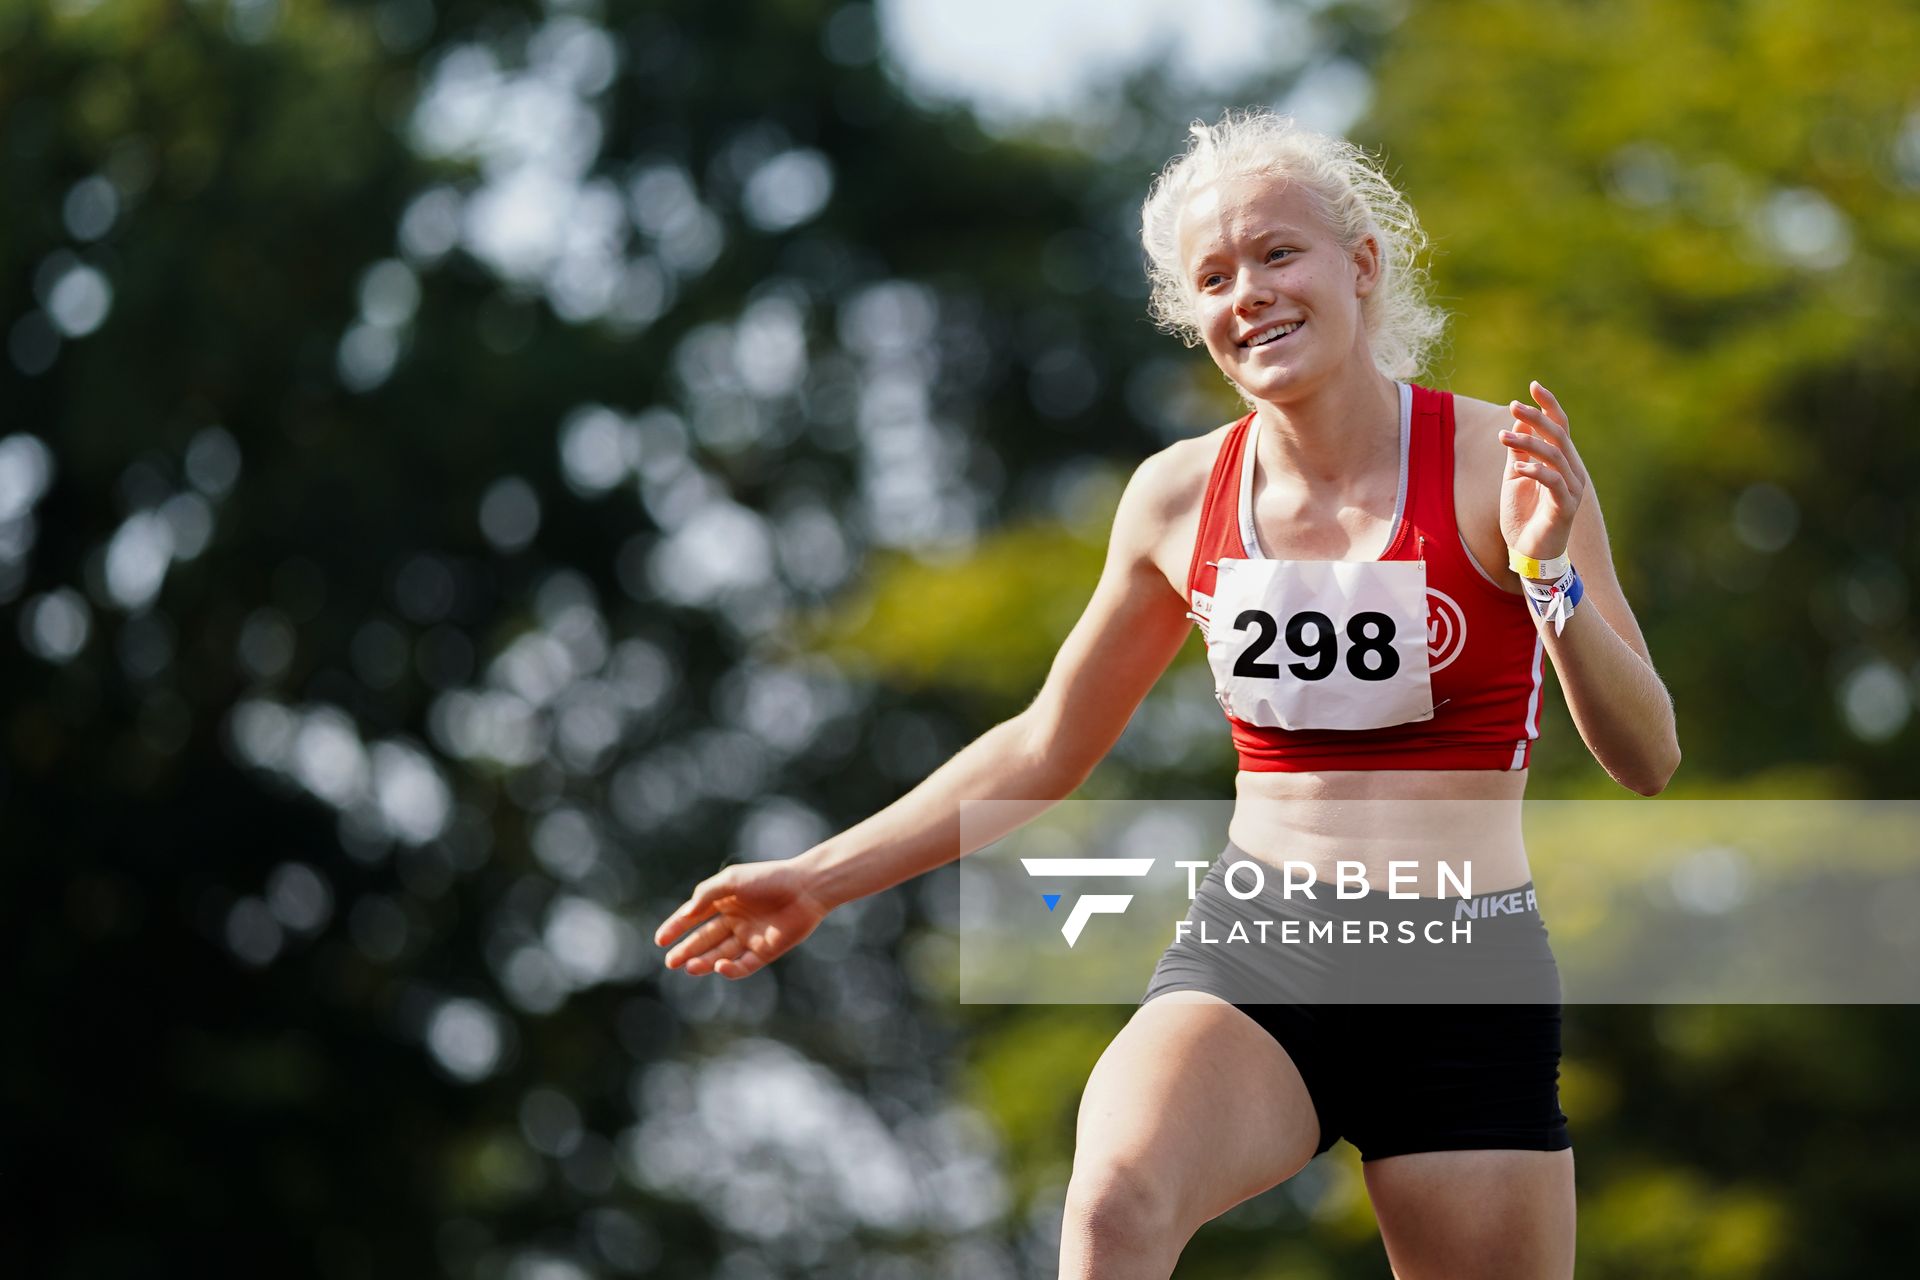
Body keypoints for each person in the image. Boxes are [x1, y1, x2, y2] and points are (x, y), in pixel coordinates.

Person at [654, 110, 1679, 1279]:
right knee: (1113, 1207)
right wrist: (818, 876)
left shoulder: (1505, 463)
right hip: (1262, 953)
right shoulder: (1176, 499)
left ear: (1361, 264)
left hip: (1464, 972)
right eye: (1214, 276)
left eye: (1279, 253)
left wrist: (1553, 579)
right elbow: (1045, 744)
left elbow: (1647, 753)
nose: (1250, 293)